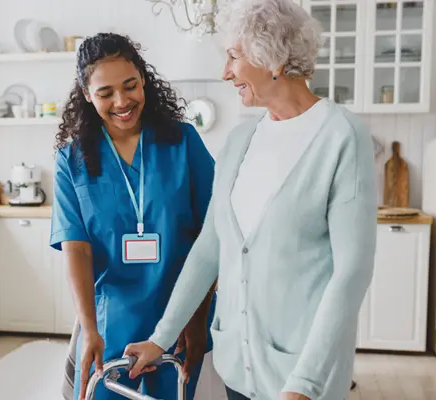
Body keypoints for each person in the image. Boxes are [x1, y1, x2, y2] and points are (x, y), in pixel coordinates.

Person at [123, 0, 378, 399]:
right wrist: (161, 338)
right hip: (238, 369)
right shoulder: (240, 141)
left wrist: (304, 385)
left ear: (271, 56)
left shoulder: (341, 136)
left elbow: (352, 273)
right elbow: (210, 248)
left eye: (233, 56)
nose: (225, 72)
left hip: (300, 377)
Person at [50, 32, 216, 400]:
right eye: (106, 93)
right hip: (111, 319)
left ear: (144, 80)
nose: (122, 102)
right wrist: (90, 328)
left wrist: (197, 319)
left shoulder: (184, 143)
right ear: (86, 93)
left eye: (130, 86)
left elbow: (213, 236)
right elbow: (76, 248)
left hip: (180, 312)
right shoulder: (71, 161)